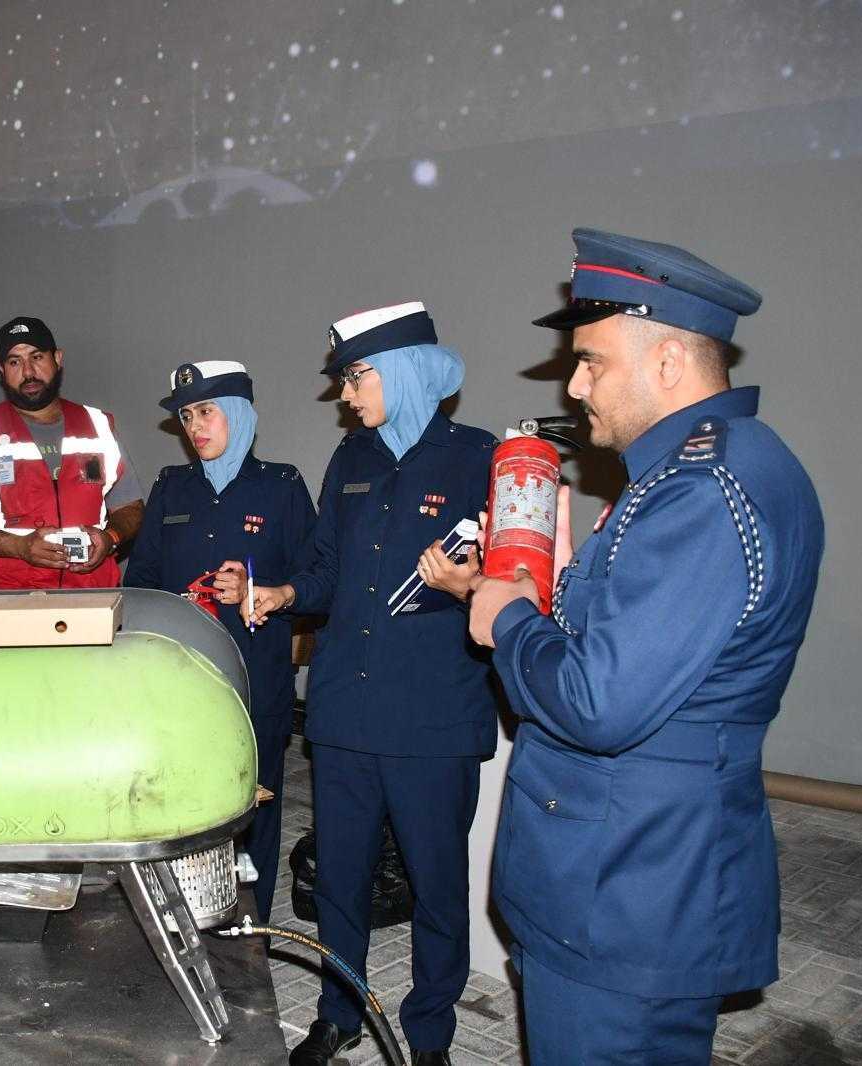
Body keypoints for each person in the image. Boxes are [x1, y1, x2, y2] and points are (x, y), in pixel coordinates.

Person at [463, 229, 824, 1063]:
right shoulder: (710, 470)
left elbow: (600, 703)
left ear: (667, 362)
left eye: (592, 362)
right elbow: (644, 648)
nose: (574, 384)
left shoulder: (702, 492)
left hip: (627, 892)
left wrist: (508, 618)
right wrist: (554, 583)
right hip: (631, 874)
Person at [245, 302, 498, 1066]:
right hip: (345, 711)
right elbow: (326, 566)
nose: (345, 395)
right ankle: (339, 1011)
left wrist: (469, 582)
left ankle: (431, 1035)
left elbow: (515, 580)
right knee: (339, 879)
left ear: (402, 371)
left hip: (432, 716)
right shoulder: (351, 459)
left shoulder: (479, 458)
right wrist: (287, 593)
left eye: (356, 377)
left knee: (437, 887)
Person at [122, 360, 316, 920]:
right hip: (179, 686)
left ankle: (252, 925)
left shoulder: (281, 487)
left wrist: (259, 590)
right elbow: (140, 583)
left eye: (206, 411)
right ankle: (186, 921)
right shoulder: (172, 487)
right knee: (182, 806)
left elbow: (316, 582)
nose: (194, 427)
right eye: (186, 416)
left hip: (256, 682)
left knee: (256, 807)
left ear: (238, 413)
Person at [0, 316, 144, 589]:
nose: (28, 372)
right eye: (14, 362)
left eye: (37, 357)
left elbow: (131, 508)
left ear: (57, 358)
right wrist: (18, 547)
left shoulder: (98, 426)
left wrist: (110, 538)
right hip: (7, 596)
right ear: (1, 370)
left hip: (92, 593)